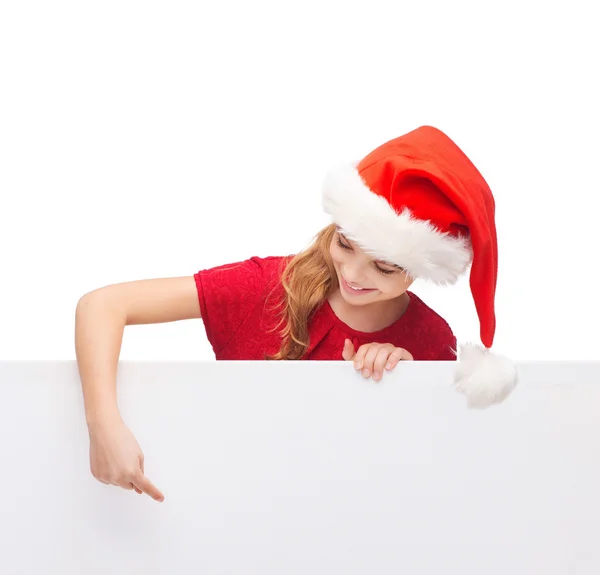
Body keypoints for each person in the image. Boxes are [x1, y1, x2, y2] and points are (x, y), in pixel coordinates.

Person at [75, 125, 517, 503]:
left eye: (383, 266)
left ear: (419, 272)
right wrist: (104, 425)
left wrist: (403, 385)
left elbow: (437, 474)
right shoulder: (269, 287)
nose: (353, 274)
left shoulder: (430, 338)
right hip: (233, 506)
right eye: (344, 244)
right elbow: (103, 305)